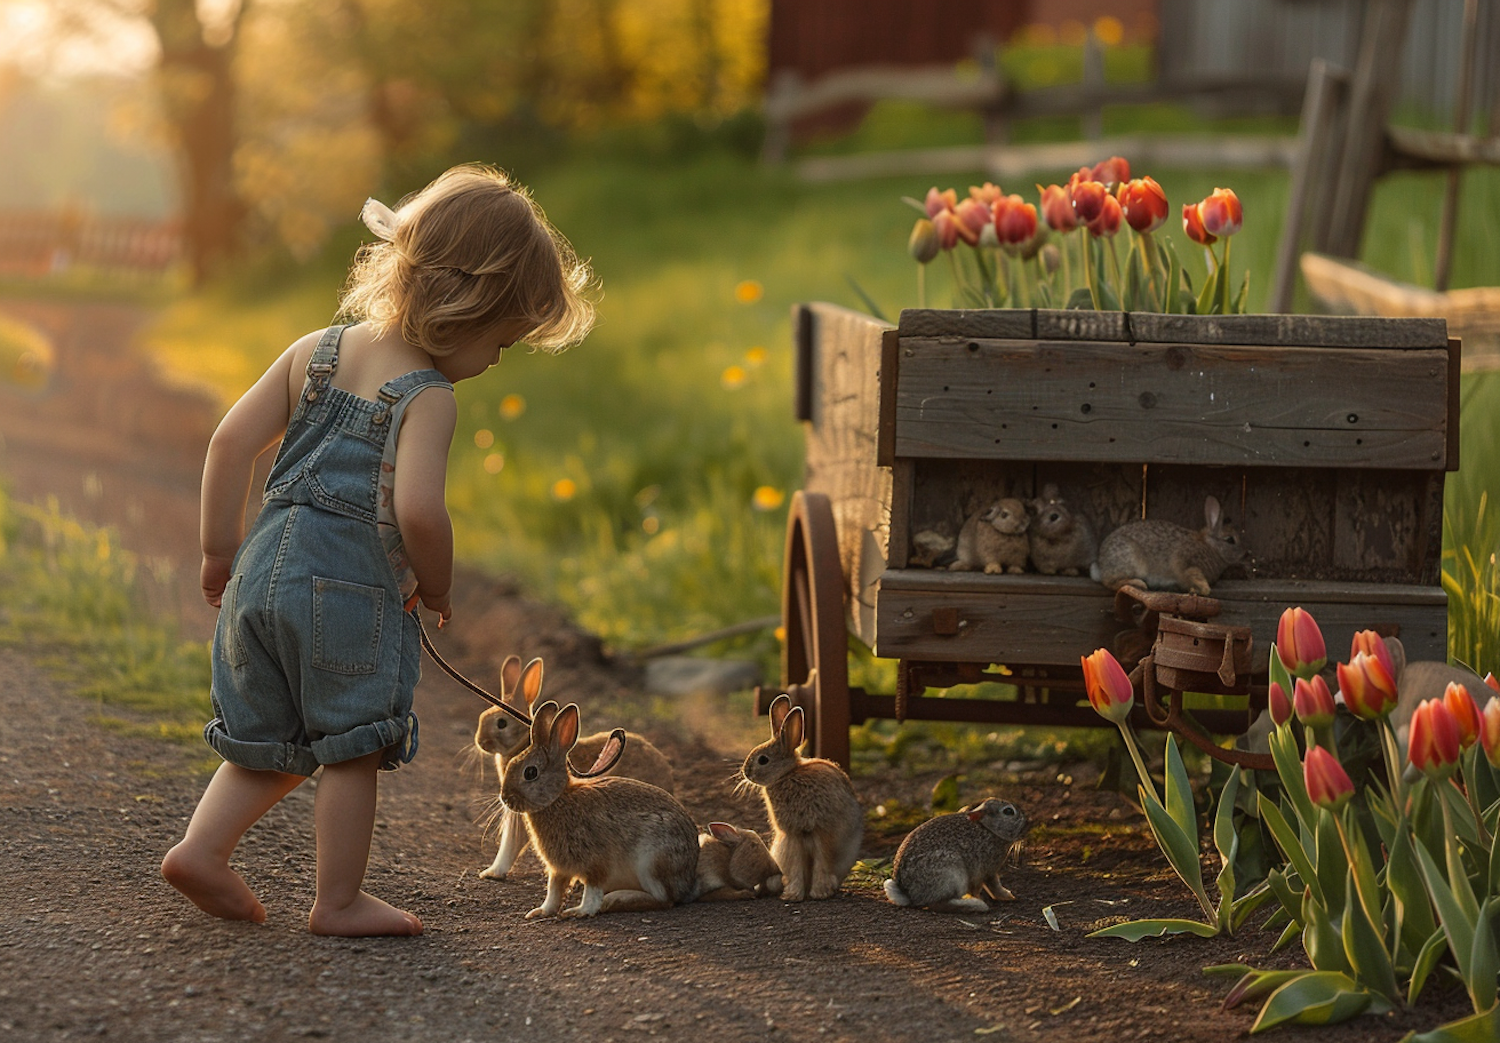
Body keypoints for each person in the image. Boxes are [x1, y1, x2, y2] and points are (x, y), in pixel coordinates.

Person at [160, 164, 596, 936]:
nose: (496, 359)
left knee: (270, 738)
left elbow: (229, 443)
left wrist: (217, 552)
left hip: (259, 575)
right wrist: (437, 587)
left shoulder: (314, 351)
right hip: (347, 593)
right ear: (471, 308)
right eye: (502, 341)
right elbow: (420, 510)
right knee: (350, 751)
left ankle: (202, 848)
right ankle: (337, 901)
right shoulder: (427, 396)